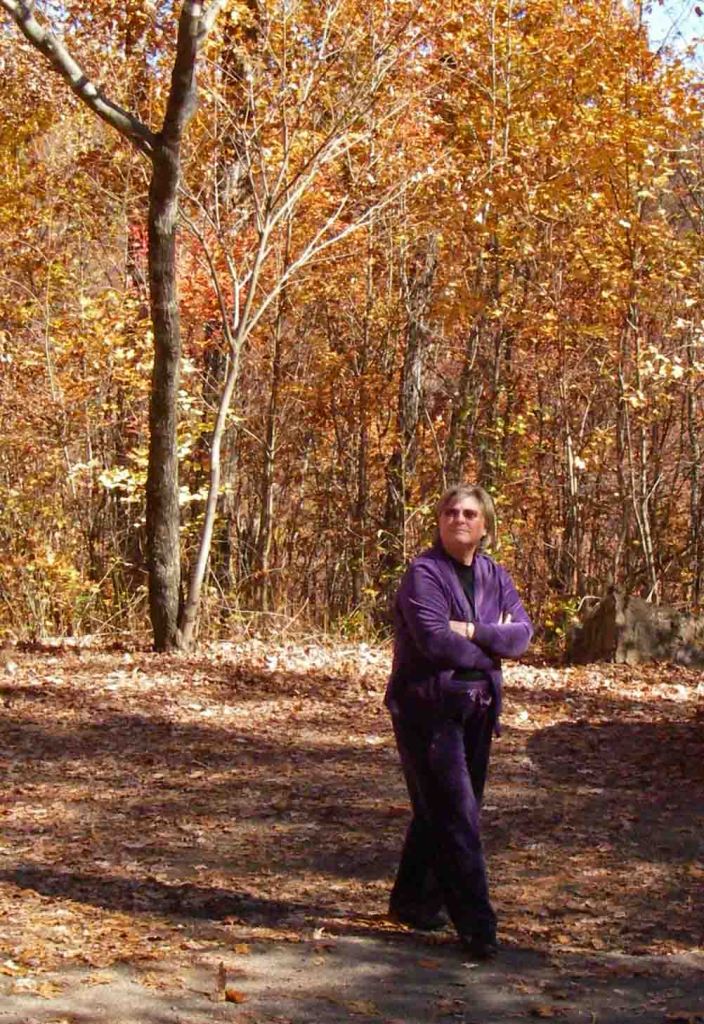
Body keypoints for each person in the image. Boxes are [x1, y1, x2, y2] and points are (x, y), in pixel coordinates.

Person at [385, 483, 533, 959]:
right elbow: (433, 641)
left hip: (478, 708)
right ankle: (477, 925)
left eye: (470, 513)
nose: (459, 519)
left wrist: (473, 631)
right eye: (450, 512)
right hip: (428, 710)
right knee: (457, 814)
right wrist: (492, 651)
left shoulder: (494, 575)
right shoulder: (424, 575)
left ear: (484, 525)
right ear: (439, 522)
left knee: (439, 810)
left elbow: (522, 635)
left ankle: (412, 902)